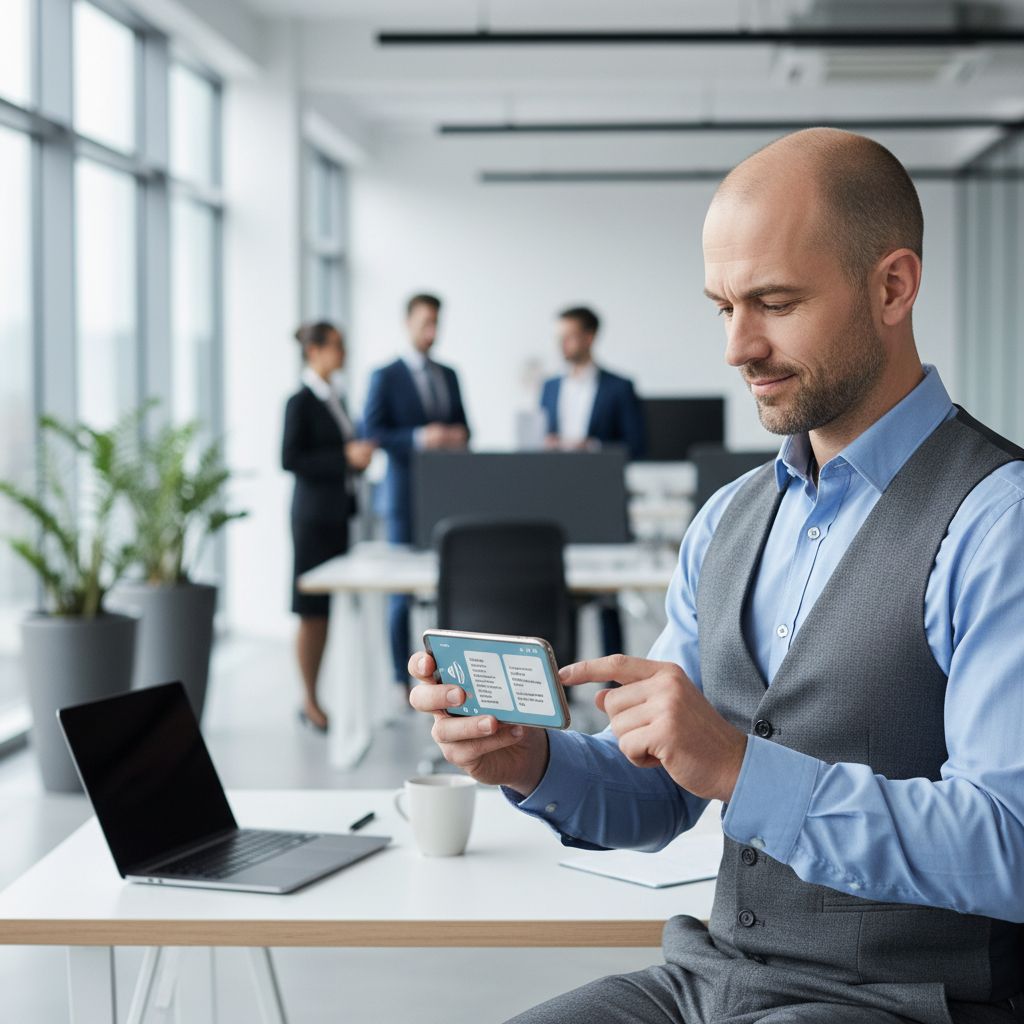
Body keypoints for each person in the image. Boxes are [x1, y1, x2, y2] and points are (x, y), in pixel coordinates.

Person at [409, 129, 1024, 1023]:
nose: (738, 347)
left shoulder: (996, 521)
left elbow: (1010, 845)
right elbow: (664, 786)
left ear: (893, 286)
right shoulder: (729, 520)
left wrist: (742, 766)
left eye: (774, 302)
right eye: (723, 307)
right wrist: (532, 758)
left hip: (904, 1001)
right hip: (712, 980)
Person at [363, 294, 470, 700]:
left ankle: (446, 674)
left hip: (445, 497)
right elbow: (371, 431)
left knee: (449, 584)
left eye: (436, 322)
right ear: (407, 322)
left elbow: (465, 426)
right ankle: (397, 677)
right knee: (399, 593)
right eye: (426, 322)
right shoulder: (385, 375)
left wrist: (456, 435)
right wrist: (420, 437)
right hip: (403, 497)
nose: (432, 330)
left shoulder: (449, 374)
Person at [282, 322, 375, 732]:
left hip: (340, 515)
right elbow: (289, 458)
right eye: (337, 346)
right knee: (311, 611)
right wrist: (345, 457)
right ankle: (309, 699)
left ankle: (323, 696)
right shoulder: (299, 401)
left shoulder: (337, 397)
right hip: (312, 518)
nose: (344, 352)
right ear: (314, 351)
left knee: (330, 611)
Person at [541, 305, 646, 655]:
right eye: (560, 338)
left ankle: (614, 683)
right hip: (558, 498)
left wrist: (593, 447)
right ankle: (562, 681)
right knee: (559, 594)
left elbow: (637, 444)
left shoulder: (619, 387)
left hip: (603, 500)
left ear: (590, 337)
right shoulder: (550, 387)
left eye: (570, 336)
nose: (563, 345)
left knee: (607, 596)